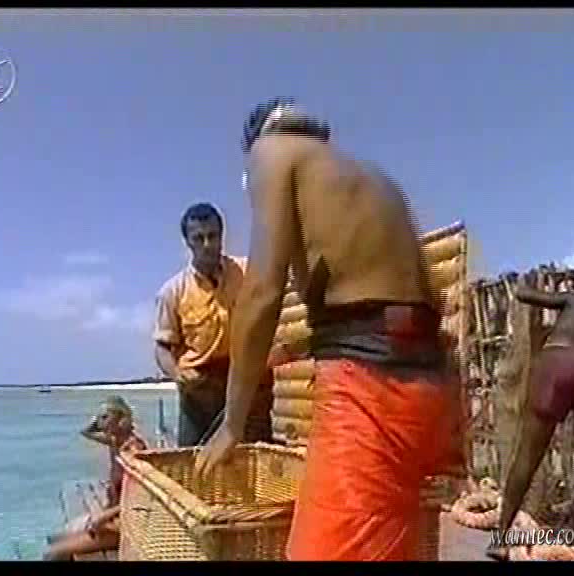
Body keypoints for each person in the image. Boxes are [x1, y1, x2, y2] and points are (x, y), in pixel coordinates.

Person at [195, 98, 458, 560]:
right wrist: (302, 344)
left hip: (372, 393)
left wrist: (231, 425)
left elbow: (262, 293)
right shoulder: (370, 179)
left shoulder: (272, 151)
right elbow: (386, 300)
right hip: (427, 390)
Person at [490, 287, 574, 559]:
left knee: (527, 456)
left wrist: (525, 293)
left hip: (561, 359)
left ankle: (500, 538)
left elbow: (524, 294)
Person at [153, 203, 277, 447]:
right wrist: (177, 373)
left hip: (248, 386)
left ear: (222, 236)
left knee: (255, 457)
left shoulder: (248, 273)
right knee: (195, 462)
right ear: (188, 242)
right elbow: (162, 347)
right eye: (199, 238)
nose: (207, 244)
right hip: (200, 392)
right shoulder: (172, 292)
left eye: (213, 236)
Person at [43, 396, 146, 561]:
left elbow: (141, 497)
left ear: (121, 418)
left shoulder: (134, 449)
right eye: (99, 418)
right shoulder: (115, 441)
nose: (100, 422)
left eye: (105, 417)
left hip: (128, 522)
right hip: (113, 515)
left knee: (53, 553)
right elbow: (86, 432)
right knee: (54, 539)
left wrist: (103, 517)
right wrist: (98, 421)